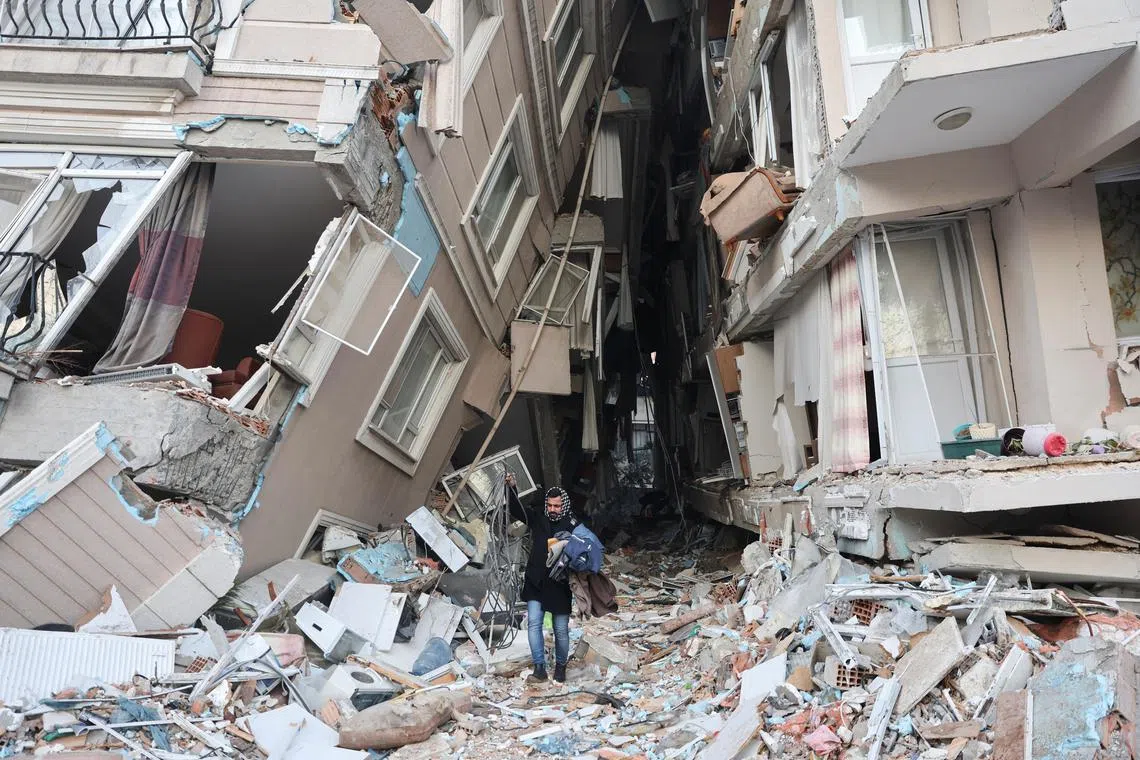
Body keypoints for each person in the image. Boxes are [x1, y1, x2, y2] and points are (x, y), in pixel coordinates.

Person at [506, 472, 580, 683]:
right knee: (534, 623)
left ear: (563, 506)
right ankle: (539, 668)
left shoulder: (573, 524)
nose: (553, 509)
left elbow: (584, 550)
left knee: (561, 630)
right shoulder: (539, 517)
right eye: (550, 505)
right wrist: (511, 488)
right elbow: (516, 510)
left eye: (557, 506)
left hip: (559, 584)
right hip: (536, 580)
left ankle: (560, 669)